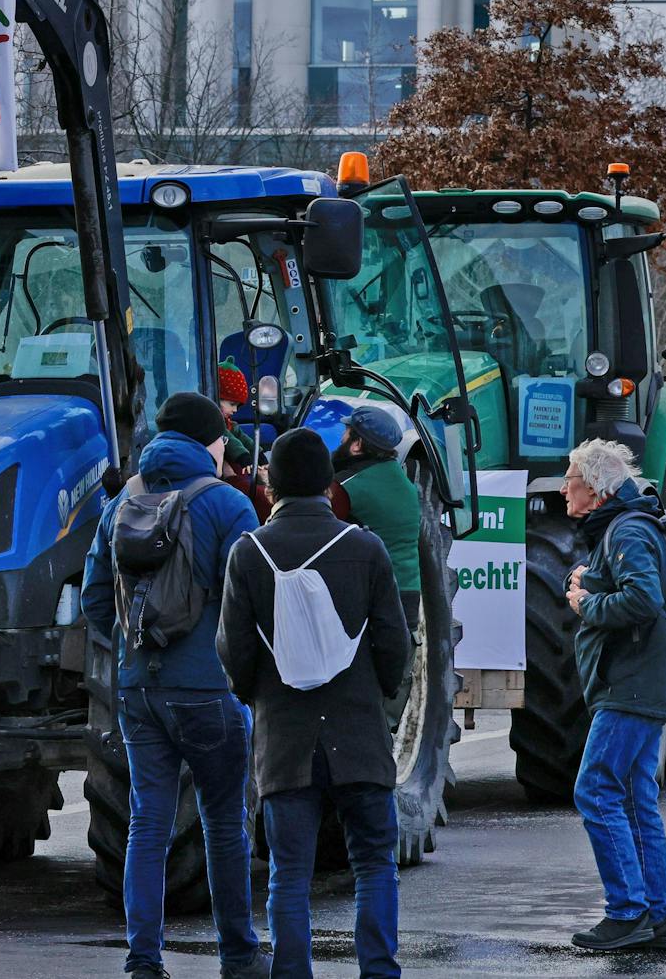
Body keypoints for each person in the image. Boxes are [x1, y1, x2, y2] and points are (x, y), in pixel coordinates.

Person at [81, 392, 266, 979]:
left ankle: (143, 960)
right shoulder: (226, 504)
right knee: (222, 820)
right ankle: (237, 954)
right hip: (208, 689)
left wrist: (136, 650)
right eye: (221, 441)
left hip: (137, 690)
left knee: (147, 819)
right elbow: (252, 603)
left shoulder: (121, 502)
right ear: (206, 441)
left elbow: (92, 601)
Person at [219, 427, 408, 979]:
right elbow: (394, 642)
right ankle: (378, 971)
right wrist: (377, 694)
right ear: (329, 484)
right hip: (359, 734)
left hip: (285, 739)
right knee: (374, 864)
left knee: (289, 874)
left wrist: (256, 696)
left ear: (271, 484)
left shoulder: (248, 553)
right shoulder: (365, 547)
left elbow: (235, 650)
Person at [561, 439, 666, 952]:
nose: (564, 488)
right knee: (635, 798)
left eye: (570, 479)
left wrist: (588, 603)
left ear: (594, 489)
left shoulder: (626, 529)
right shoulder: (628, 526)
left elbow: (643, 599)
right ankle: (658, 917)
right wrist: (591, 580)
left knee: (595, 789)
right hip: (644, 681)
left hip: (630, 685)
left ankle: (628, 911)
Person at [332, 407, 421, 634]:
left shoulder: (346, 486)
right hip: (408, 597)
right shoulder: (403, 482)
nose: (341, 439)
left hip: (373, 599)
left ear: (356, 444)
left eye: (346, 432)